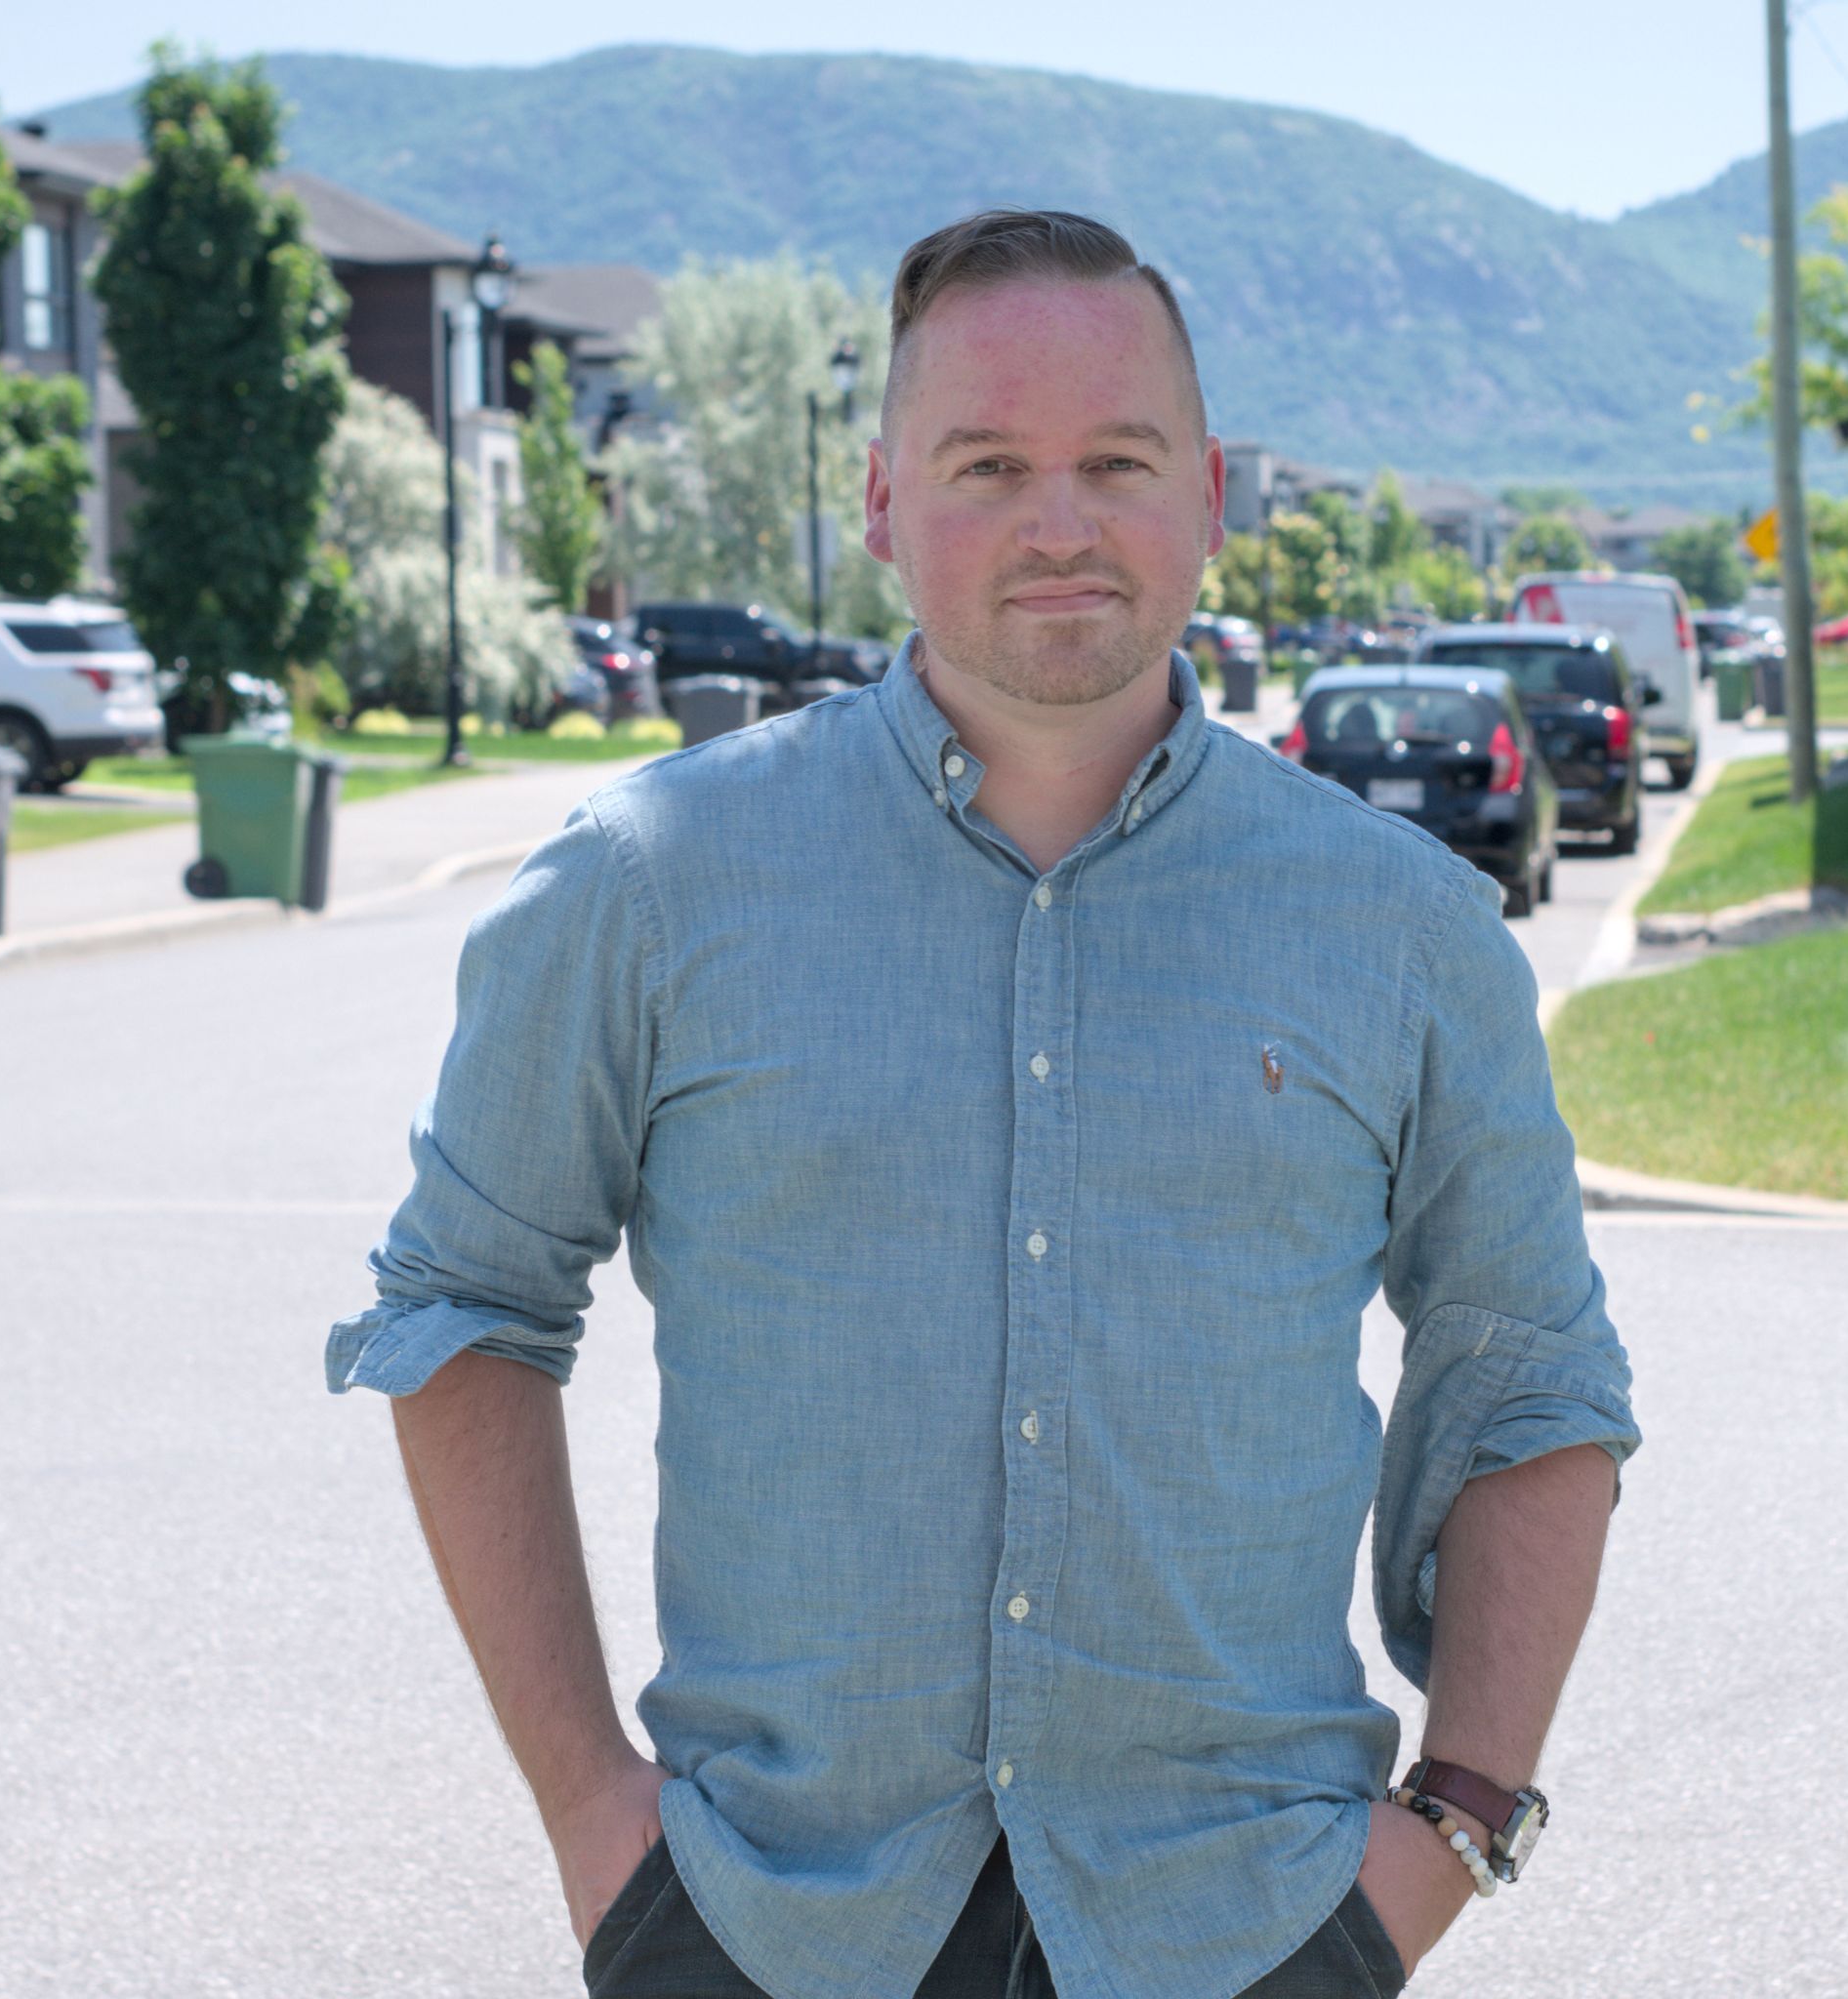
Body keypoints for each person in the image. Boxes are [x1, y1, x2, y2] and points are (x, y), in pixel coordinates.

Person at [326, 207, 1641, 1999]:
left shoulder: (1403, 928)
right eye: (989, 462)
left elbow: (1535, 1377)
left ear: (1210, 496)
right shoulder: (646, 884)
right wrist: (592, 1823)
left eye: (1116, 459)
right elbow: (460, 1306)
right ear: (882, 503)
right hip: (759, 1931)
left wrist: (1455, 1831)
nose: (1059, 519)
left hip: (1255, 1932)